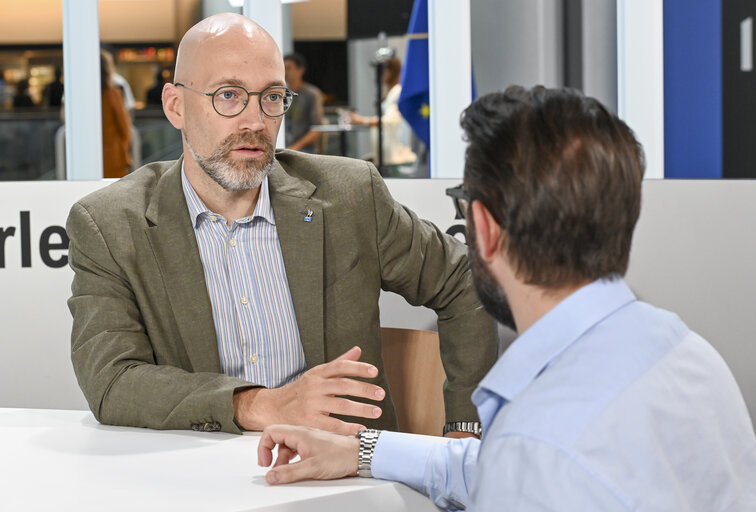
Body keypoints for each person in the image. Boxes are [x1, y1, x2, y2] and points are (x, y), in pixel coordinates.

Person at [257, 86, 756, 510]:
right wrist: (362, 450)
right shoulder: (684, 353)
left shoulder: (538, 450)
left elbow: (531, 462)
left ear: (482, 226)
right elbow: (503, 464)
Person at [66, 14, 497, 438]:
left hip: (343, 479)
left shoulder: (349, 196)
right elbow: (112, 379)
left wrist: (464, 430)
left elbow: (465, 278)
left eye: (271, 97)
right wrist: (263, 404)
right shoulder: (111, 225)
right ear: (175, 105)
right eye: (229, 96)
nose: (255, 121)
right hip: (201, 483)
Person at [349, 57, 416, 167]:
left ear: (391, 72)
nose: (379, 75)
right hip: (387, 155)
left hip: (397, 157)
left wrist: (362, 120)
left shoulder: (397, 92)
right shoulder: (389, 92)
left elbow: (388, 121)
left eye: (383, 70)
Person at [100, 49, 132, 178]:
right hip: (112, 157)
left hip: (84, 157)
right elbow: (124, 128)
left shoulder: (80, 95)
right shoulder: (113, 93)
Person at [283, 53, 323, 153]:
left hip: (306, 151)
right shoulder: (281, 93)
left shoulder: (312, 94)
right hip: (284, 148)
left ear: (300, 70)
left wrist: (295, 147)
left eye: (288, 68)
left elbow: (317, 128)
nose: (285, 72)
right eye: (283, 68)